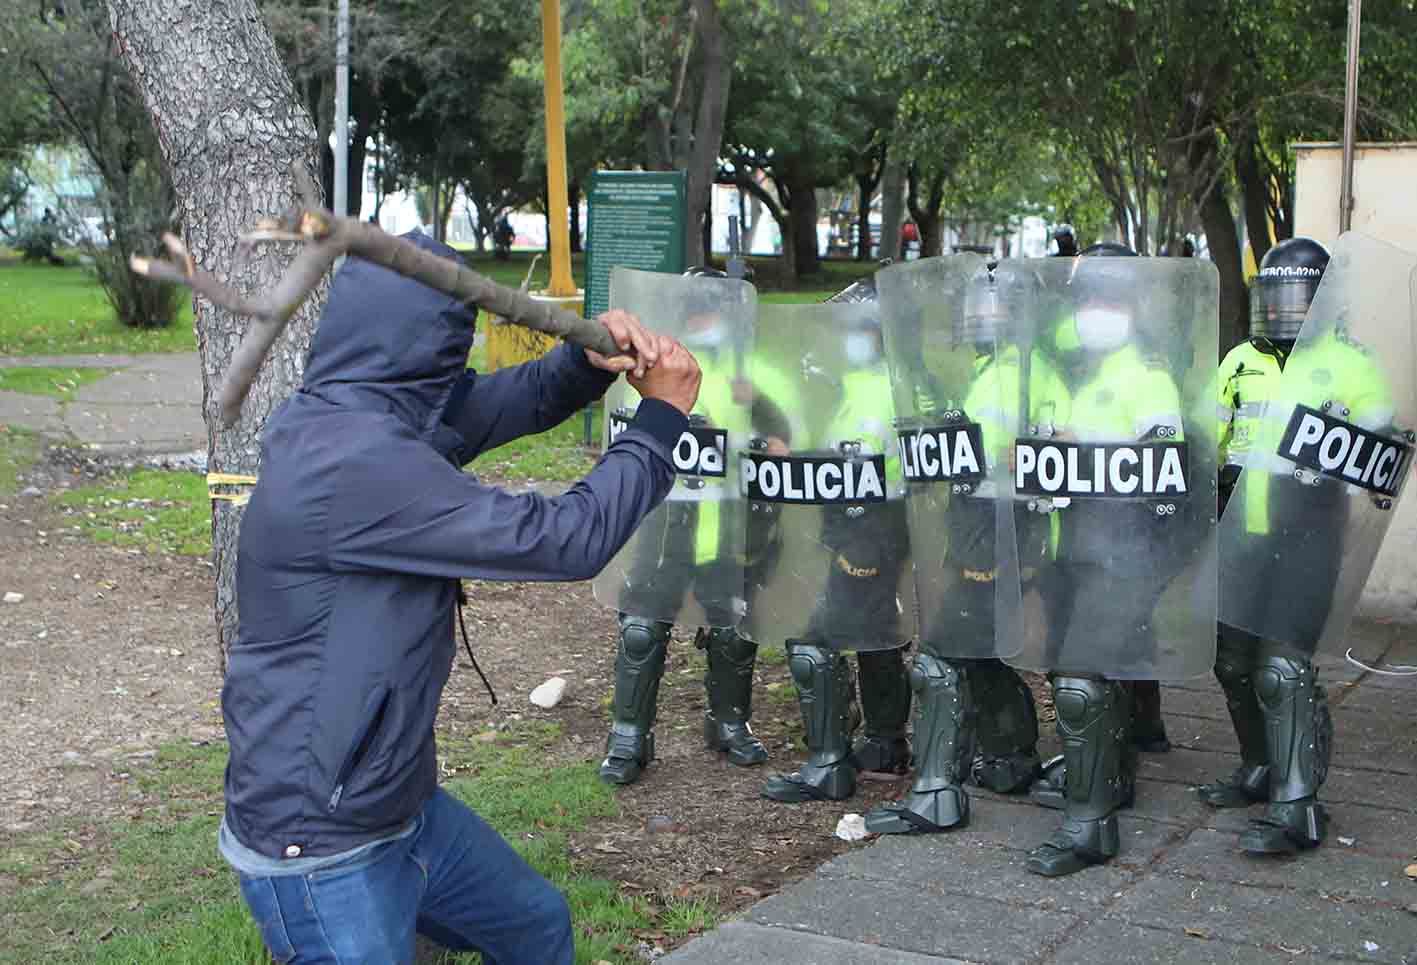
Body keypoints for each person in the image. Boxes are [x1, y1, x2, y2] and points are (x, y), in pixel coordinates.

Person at [219, 230, 700, 964]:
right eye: (455, 349)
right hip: (320, 846)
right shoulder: (359, 465)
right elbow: (566, 539)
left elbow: (506, 402)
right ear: (425, 347)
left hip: (400, 808)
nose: (463, 370)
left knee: (536, 927)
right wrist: (661, 420)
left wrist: (584, 361)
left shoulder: (361, 413)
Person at [1198, 237, 1390, 855]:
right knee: (1231, 662)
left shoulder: (1352, 366)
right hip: (1240, 534)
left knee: (1282, 671)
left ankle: (1298, 802)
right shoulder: (1237, 363)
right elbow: (1209, 438)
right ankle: (1259, 766)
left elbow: (1381, 449)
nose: (1284, 310)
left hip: (1309, 539)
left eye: (1298, 298)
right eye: (1274, 296)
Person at [867, 260, 1069, 834]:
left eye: (988, 311)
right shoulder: (1003, 371)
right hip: (985, 528)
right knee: (977, 651)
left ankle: (936, 795)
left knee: (942, 654)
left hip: (1006, 530)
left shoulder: (1024, 375)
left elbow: (1023, 455)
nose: (979, 320)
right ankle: (1010, 752)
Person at [1026, 246, 1194, 876]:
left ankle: (1090, 824)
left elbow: (1162, 466)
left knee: (1081, 682)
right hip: (1076, 550)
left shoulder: (1146, 378)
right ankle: (1110, 777)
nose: (1095, 313)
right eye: (1087, 301)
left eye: (1108, 302)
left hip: (1124, 555)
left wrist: (1084, 448)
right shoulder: (1087, 377)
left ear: (1129, 308)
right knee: (1080, 674)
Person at [599, 267, 798, 785]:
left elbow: (786, 437)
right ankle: (628, 735)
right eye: (700, 310)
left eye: (716, 310)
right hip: (665, 526)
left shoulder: (750, 373)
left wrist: (762, 412)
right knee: (642, 628)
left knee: (733, 628)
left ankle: (728, 721)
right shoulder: (658, 367)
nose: (707, 320)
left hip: (728, 530)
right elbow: (624, 430)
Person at [759, 287, 914, 803]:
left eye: (856, 331)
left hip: (869, 530)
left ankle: (828, 764)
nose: (846, 341)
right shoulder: (868, 385)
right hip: (874, 529)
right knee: (877, 632)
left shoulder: (877, 392)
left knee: (814, 642)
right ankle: (885, 745)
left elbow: (852, 467)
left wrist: (802, 464)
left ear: (876, 335)